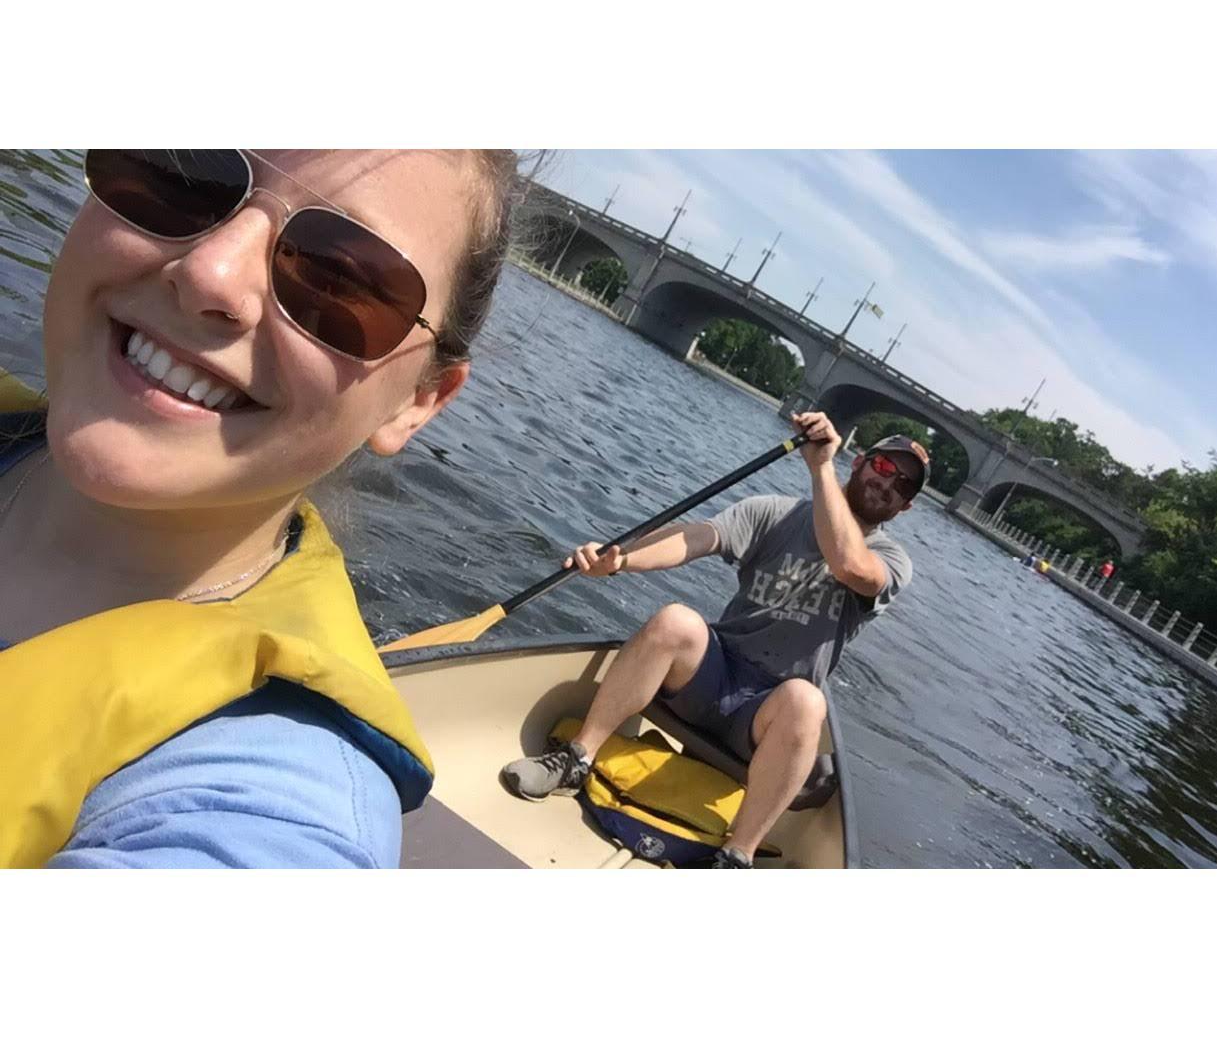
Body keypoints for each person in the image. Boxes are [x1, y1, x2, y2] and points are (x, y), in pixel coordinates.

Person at [0, 148, 520, 868]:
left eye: (340, 278)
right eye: (182, 176)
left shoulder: (270, 813)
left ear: (417, 402)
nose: (211, 273)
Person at [501, 413, 928, 867]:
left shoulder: (891, 560)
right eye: (883, 468)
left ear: (905, 507)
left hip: (765, 719)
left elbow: (849, 566)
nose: (888, 484)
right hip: (712, 678)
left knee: (807, 703)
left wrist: (821, 467)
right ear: (860, 462)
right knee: (676, 620)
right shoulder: (776, 513)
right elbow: (697, 537)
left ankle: (734, 857)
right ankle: (576, 759)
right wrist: (619, 560)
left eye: (903, 485)